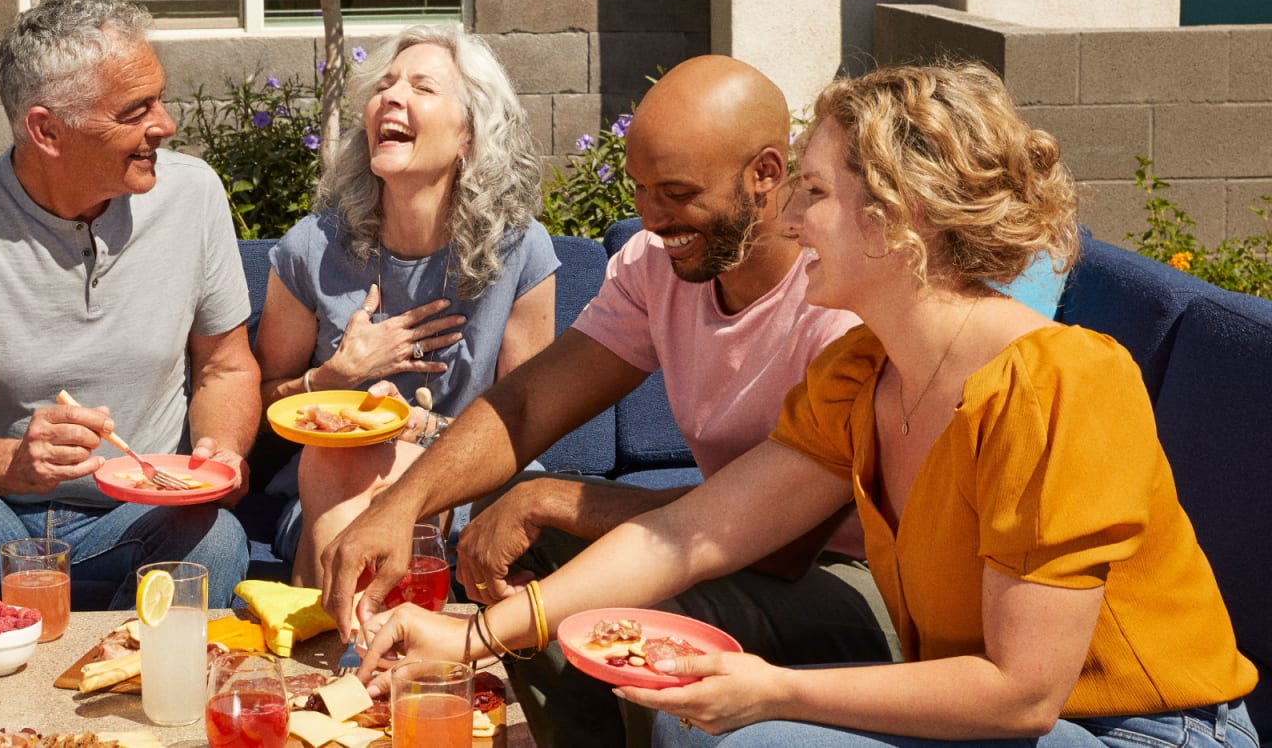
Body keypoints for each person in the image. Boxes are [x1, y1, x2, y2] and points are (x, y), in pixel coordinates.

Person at [357, 61, 1259, 748]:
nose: (790, 221)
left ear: (901, 217)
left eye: (816, 195)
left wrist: (770, 688)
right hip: (1015, 717)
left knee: (762, 739)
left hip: (1145, 731)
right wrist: (468, 636)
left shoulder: (1063, 382)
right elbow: (684, 535)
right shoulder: (863, 374)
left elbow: (1024, 692)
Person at [321, 55, 898, 748]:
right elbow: (530, 402)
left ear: (766, 174)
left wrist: (552, 501)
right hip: (722, 538)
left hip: (857, 578)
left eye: (677, 192)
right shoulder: (659, 265)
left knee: (615, 591)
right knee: (530, 527)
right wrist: (399, 507)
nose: (652, 219)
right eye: (641, 190)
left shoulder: (840, 299)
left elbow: (778, 540)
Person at [0, 0, 256, 611]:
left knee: (215, 540)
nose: (166, 124)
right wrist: (13, 463)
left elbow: (225, 366)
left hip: (137, 517)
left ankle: (147, 690)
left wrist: (222, 450)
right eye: (137, 111)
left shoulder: (193, 194)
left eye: (158, 99)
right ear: (46, 130)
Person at [254, 25, 557, 586]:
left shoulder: (520, 250)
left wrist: (422, 434)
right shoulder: (310, 249)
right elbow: (260, 409)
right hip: (341, 484)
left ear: (470, 133)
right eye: (386, 86)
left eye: (422, 88)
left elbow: (530, 422)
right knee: (349, 479)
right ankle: (341, 656)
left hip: (473, 483)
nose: (391, 97)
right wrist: (333, 378)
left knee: (530, 515)